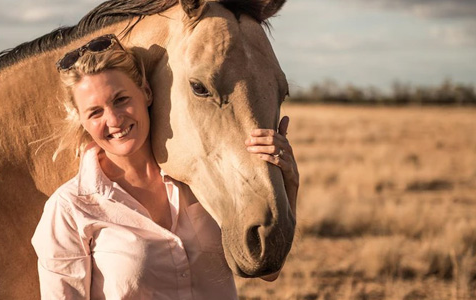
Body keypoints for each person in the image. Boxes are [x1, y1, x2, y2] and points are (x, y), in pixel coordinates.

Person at [31, 34, 299, 300]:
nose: (113, 119)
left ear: (146, 92)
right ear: (83, 121)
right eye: (95, 112)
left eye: (121, 99)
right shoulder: (70, 208)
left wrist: (285, 184)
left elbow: (267, 269)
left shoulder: (199, 179)